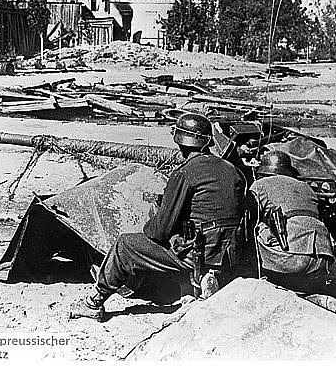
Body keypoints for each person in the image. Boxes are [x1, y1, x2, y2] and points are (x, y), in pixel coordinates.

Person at [71, 113, 247, 321]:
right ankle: (194, 288)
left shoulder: (185, 173)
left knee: (125, 246)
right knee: (182, 237)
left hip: (201, 253)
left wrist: (158, 215)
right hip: (231, 253)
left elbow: (159, 231)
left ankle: (94, 303)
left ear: (180, 143)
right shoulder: (231, 169)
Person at [248, 150, 334, 293]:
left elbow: (248, 216)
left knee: (255, 226)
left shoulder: (260, 185)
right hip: (323, 260)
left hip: (290, 260)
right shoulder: (306, 187)